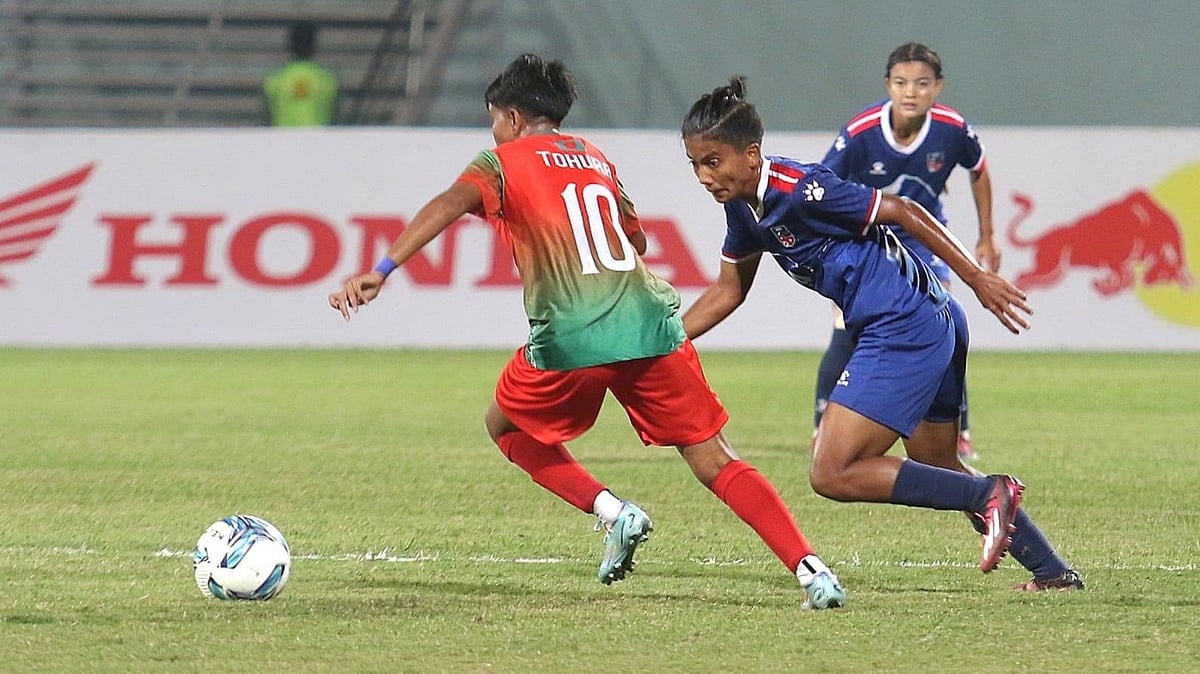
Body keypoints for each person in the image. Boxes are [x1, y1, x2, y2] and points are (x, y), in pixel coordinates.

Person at [328, 54, 846, 608]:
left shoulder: (499, 161)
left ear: (512, 117)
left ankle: (613, 511)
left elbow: (449, 204)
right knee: (716, 460)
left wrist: (381, 271)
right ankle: (812, 571)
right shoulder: (593, 156)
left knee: (505, 426)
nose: (495, 131)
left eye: (495, 121)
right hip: (651, 324)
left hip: (573, 334)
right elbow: (638, 241)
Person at [679, 76, 1084, 591]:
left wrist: (977, 277)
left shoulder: (801, 189)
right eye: (694, 164)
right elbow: (727, 291)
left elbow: (903, 210)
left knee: (832, 472)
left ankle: (988, 495)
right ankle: (1052, 572)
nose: (703, 176)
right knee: (934, 459)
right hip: (932, 319)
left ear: (752, 154)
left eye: (712, 161)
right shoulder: (743, 210)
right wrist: (665, 339)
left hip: (903, 325)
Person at [814, 43, 997, 462]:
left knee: (944, 319)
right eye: (900, 83)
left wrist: (987, 235)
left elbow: (979, 168)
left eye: (921, 83)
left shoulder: (952, 128)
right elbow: (822, 186)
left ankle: (959, 429)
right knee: (847, 330)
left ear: (938, 88)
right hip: (869, 240)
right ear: (888, 86)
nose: (910, 92)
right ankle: (822, 420)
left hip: (924, 238)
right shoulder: (860, 132)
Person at [263, 21, 339, 127]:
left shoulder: (275, 80)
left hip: (283, 142)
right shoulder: (328, 81)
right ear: (314, 45)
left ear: (290, 45)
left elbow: (266, 119)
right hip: (319, 142)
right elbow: (336, 119)